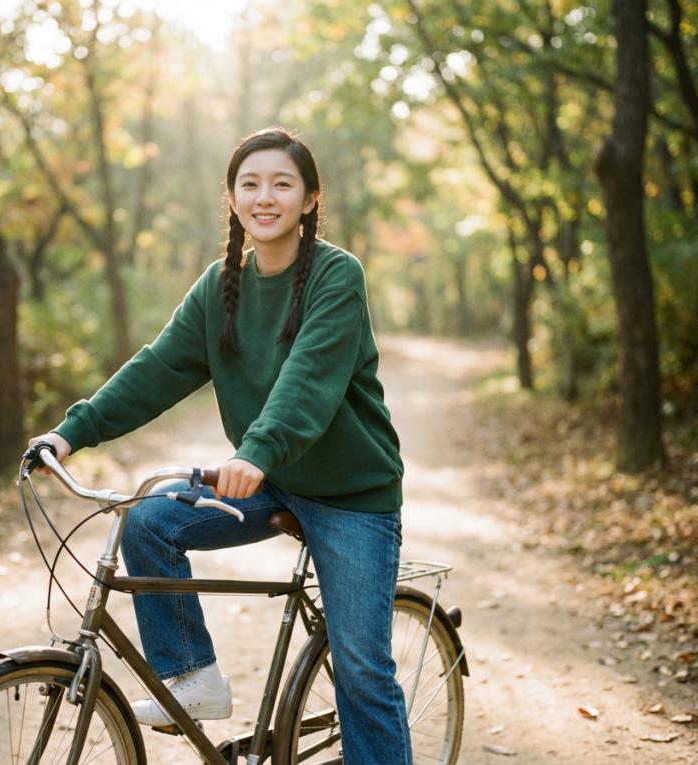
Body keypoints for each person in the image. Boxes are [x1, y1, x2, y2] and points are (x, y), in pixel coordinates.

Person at [28, 127, 412, 763]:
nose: (265, 197)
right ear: (232, 198)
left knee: (362, 672)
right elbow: (158, 368)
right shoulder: (220, 285)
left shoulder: (337, 275)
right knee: (149, 521)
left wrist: (255, 451)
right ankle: (194, 677)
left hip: (351, 495)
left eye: (282, 184)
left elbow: (307, 381)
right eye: (250, 184)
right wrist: (73, 431)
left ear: (310, 199)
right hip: (273, 479)